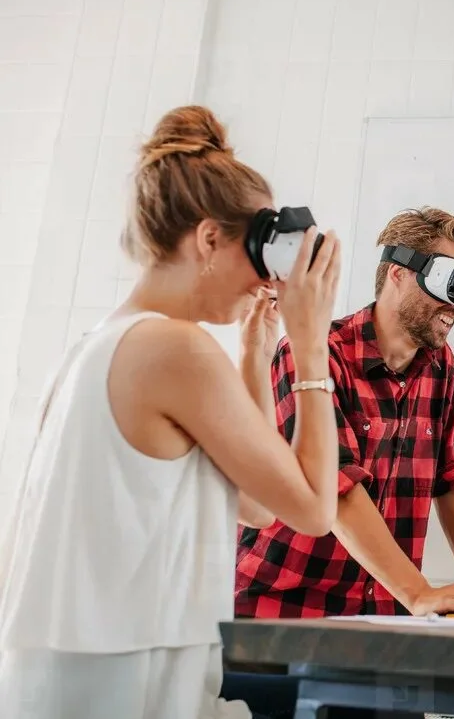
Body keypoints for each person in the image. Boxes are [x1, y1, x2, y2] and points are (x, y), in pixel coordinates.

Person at [0, 104, 343, 719]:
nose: (265, 283)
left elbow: (258, 504)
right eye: (257, 257)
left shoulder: (106, 342)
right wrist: (312, 343)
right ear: (209, 239)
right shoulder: (173, 349)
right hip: (124, 692)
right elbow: (315, 509)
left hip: (79, 684)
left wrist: (257, 354)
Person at [234, 207, 454, 620]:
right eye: (450, 285)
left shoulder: (441, 366)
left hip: (382, 611)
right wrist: (417, 592)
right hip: (287, 604)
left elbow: (452, 477)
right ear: (398, 273)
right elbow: (334, 482)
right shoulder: (315, 353)